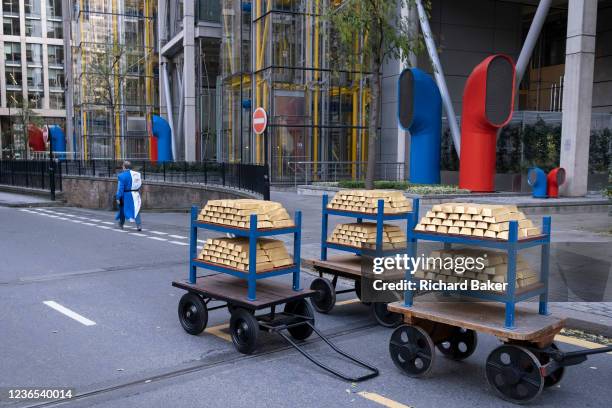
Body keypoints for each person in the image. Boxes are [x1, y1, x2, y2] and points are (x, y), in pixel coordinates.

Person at [116, 161, 143, 231]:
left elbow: (120, 188)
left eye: (122, 166)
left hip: (126, 195)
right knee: (136, 209)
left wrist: (118, 197)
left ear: (124, 167)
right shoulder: (137, 174)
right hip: (136, 194)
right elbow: (139, 184)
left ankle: (121, 224)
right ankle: (139, 225)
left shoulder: (121, 176)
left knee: (122, 209)